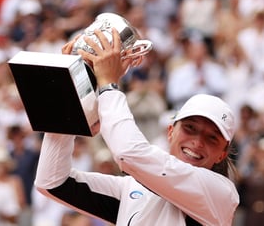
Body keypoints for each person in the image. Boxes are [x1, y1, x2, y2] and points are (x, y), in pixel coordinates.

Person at [34, 28, 239, 225]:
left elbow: (128, 153)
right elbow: (52, 183)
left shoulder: (220, 193)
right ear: (170, 132)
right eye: (190, 128)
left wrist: (108, 84)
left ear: (222, 153)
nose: (197, 142)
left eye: (212, 138)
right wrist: (68, 95)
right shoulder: (133, 187)